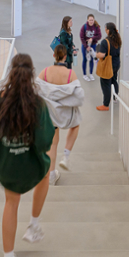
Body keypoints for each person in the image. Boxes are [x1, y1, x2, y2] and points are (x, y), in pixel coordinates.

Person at [0, 54, 55, 257]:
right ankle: (34, 224)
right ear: (32, 74)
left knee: (11, 203)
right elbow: (44, 143)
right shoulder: (38, 104)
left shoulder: (0, 100)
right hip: (30, 168)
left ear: (11, 72)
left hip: (7, 168)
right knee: (46, 170)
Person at [36, 45, 85, 186]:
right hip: (65, 116)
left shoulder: (44, 73)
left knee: (53, 143)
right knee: (76, 125)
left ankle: (51, 175)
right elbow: (79, 96)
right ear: (65, 57)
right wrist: (65, 99)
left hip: (50, 116)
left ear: (54, 56)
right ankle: (66, 156)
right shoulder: (70, 74)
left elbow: (35, 90)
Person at [96, 22, 122, 111]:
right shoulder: (118, 39)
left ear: (108, 30)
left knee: (105, 84)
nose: (105, 30)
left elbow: (102, 55)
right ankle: (115, 97)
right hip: (116, 64)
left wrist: (96, 54)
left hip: (108, 66)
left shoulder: (105, 42)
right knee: (114, 80)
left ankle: (106, 105)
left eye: (105, 29)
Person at [79, 14, 102, 81]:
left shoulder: (96, 27)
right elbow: (82, 37)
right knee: (85, 59)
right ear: (87, 20)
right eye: (90, 20)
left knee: (92, 59)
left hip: (93, 45)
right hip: (85, 46)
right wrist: (86, 46)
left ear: (94, 20)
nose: (91, 21)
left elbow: (99, 36)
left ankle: (91, 74)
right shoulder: (84, 27)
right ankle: (85, 75)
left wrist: (92, 38)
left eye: (92, 20)